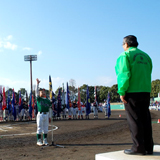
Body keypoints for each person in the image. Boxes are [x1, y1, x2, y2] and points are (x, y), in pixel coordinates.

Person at [115, 35, 153, 155]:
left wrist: (122, 91)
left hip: (132, 91)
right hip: (145, 90)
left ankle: (138, 147)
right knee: (145, 119)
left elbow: (123, 74)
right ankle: (148, 146)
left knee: (134, 120)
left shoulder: (125, 55)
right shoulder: (146, 56)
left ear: (126, 44)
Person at [36, 78, 52, 146]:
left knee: (46, 128)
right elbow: (36, 92)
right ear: (39, 94)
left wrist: (50, 116)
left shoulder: (48, 100)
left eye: (44, 92)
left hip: (46, 114)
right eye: (41, 92)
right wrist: (37, 84)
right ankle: (38, 140)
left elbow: (50, 108)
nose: (43, 92)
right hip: (41, 114)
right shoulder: (39, 99)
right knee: (39, 127)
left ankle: (45, 140)